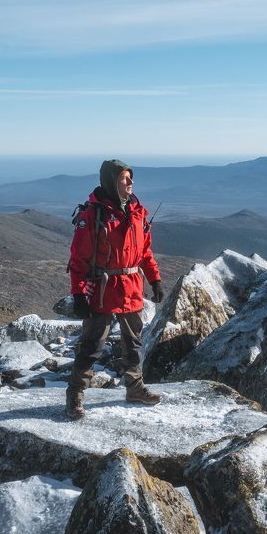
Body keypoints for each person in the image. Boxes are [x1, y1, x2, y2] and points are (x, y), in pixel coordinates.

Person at [66, 159, 165, 420]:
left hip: (132, 287)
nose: (130, 183)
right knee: (92, 345)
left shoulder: (137, 213)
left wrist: (154, 280)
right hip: (102, 288)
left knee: (133, 343)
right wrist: (78, 294)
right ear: (112, 182)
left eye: (131, 178)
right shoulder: (93, 215)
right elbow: (78, 260)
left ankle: (134, 388)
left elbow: (144, 252)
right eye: (124, 179)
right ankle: (75, 395)